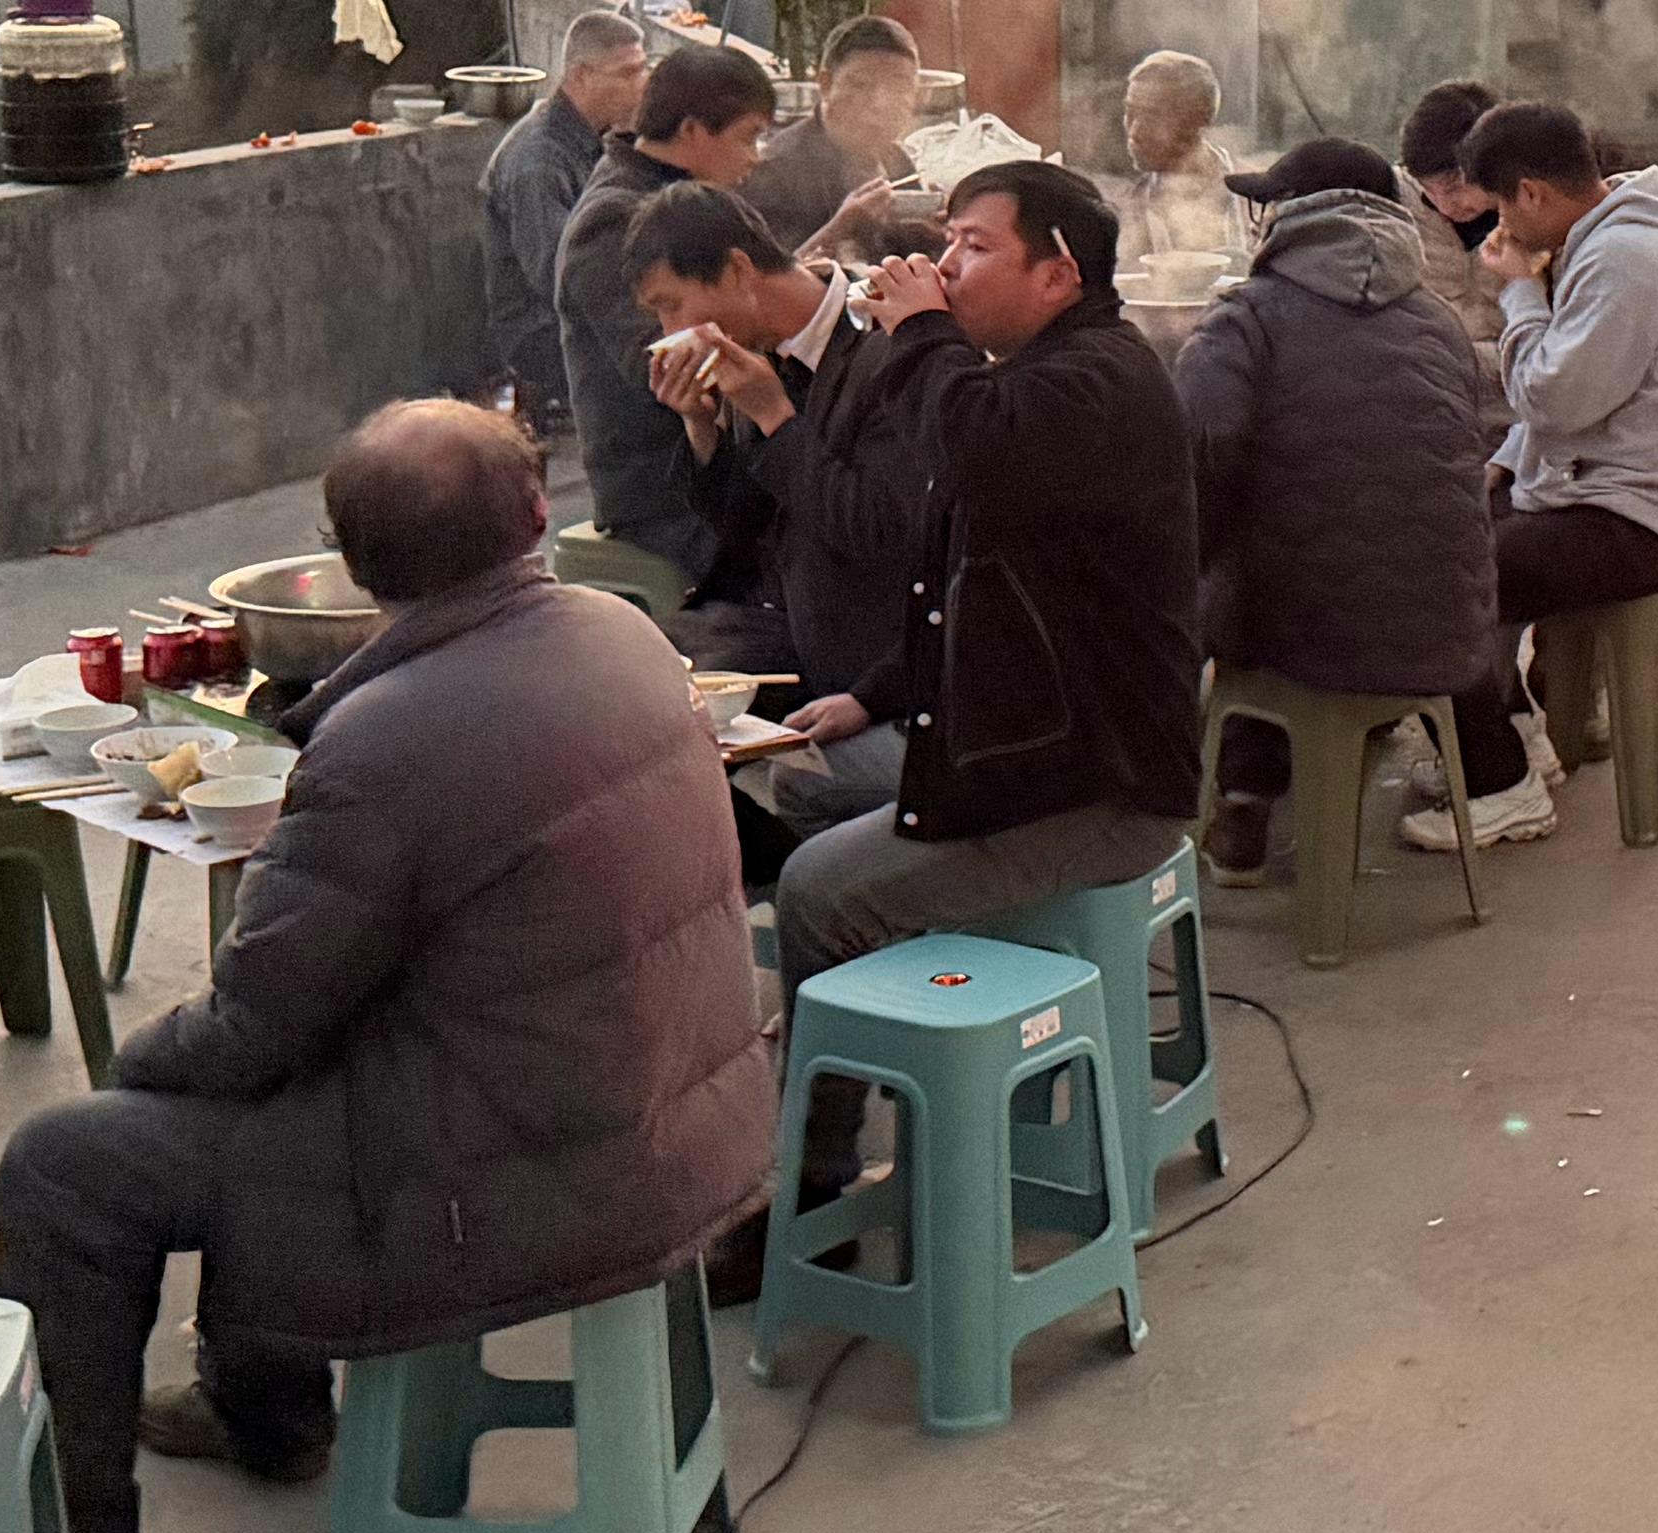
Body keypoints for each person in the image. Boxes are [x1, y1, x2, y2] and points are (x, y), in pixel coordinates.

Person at [0, 401, 775, 1533]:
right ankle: (266, 1409)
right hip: (681, 1116)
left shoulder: (382, 742)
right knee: (302, 1074)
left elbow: (253, 1029)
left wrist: (134, 1064)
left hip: (529, 1174)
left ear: (353, 568)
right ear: (535, 518)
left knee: (71, 1161)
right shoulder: (621, 633)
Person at [768, 162, 1202, 978]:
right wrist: (874, 696)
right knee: (801, 783)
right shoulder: (1030, 373)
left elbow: (974, 449)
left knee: (815, 894)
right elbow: (960, 588)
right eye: (947, 243)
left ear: (1056, 276)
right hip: (1019, 753)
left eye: (974, 246)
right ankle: (926, 982)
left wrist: (921, 330)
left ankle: (862, 1054)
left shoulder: (1098, 379)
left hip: (1096, 784)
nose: (944, 268)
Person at [1178, 139, 1499, 879]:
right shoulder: (1440, 323)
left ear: (1287, 218)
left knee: (1222, 578)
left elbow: (1193, 472)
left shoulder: (1245, 319)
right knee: (1322, 539)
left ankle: (1238, 803)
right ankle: (1302, 776)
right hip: (1448, 635)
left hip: (1309, 637)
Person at [1417, 101, 1658, 854]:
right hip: (1599, 488)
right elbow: (1579, 391)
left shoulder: (1625, 259)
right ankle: (1518, 735)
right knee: (1442, 532)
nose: (1500, 227)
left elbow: (1554, 397)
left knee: (1438, 585)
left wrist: (1519, 292)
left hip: (1638, 520)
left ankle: (1502, 786)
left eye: (1501, 208)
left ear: (1531, 193)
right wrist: (1504, 462)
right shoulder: (1607, 238)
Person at [631, 181, 942, 853]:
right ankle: (745, 866)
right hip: (791, 618)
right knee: (628, 688)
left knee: (711, 755)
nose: (667, 332)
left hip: (885, 646)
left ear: (737, 270)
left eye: (671, 305)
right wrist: (702, 426)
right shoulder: (759, 349)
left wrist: (776, 418)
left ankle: (782, 868)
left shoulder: (886, 339)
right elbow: (747, 527)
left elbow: (883, 532)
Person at [554, 41, 779, 597]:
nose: (757, 156)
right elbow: (663, 367)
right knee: (804, 554)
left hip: (728, 454)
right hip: (661, 486)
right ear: (693, 131)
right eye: (748, 136)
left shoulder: (694, 198)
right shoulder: (613, 220)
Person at [482, 7, 644, 455]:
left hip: (587, 302)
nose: (642, 84)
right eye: (628, 73)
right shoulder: (538, 160)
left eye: (643, 69)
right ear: (581, 76)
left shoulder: (597, 138)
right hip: (540, 328)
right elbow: (557, 276)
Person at [746, 13, 928, 256]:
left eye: (899, 86)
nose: (881, 103)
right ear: (826, 85)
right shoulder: (774, 170)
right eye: (862, 85)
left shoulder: (896, 160)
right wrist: (840, 228)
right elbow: (761, 276)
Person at [1112, 49, 1251, 288]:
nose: (1135, 132)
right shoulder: (1128, 212)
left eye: (1153, 117)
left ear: (1201, 119)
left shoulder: (1258, 197)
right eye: (1130, 113)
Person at [1393, 76, 1506, 366]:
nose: (1445, 206)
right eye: (1429, 191)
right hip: (1426, 373)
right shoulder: (1392, 211)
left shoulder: (1537, 217)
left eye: (1455, 187)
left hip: (1520, 376)